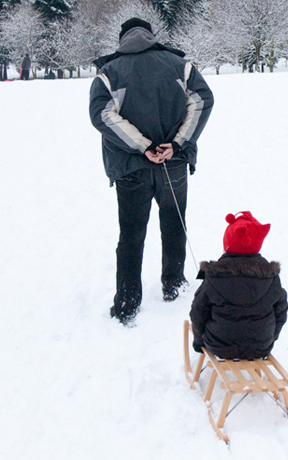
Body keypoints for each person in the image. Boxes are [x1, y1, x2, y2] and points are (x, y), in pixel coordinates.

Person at [89, 18, 214, 325]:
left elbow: (101, 115)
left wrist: (142, 147)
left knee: (131, 234)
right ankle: (174, 285)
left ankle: (128, 303)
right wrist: (177, 144)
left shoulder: (109, 73)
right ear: (150, 36)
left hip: (132, 168)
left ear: (122, 40)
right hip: (173, 163)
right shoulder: (179, 65)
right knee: (174, 224)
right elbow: (202, 100)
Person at [190, 212, 288, 360]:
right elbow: (281, 311)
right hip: (260, 346)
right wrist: (270, 337)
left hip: (220, 345)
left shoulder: (214, 275)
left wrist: (199, 341)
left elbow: (198, 312)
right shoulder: (270, 276)